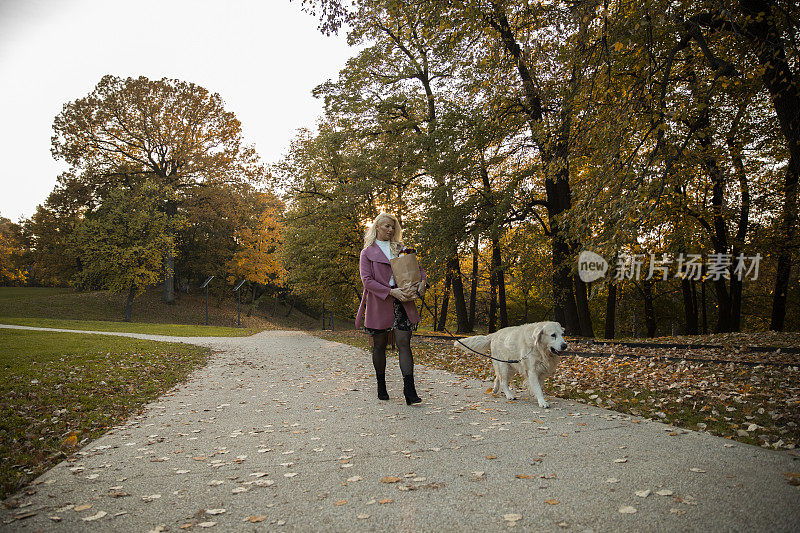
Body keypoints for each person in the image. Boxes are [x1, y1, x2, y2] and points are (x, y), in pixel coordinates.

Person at [355, 213, 427, 405]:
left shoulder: (401, 249)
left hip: (404, 300)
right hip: (380, 302)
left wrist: (422, 282)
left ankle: (410, 391)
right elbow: (367, 281)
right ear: (377, 227)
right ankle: (381, 384)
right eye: (387, 226)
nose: (390, 230)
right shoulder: (367, 252)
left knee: (404, 342)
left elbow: (418, 269)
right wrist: (391, 292)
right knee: (379, 345)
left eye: (393, 227)